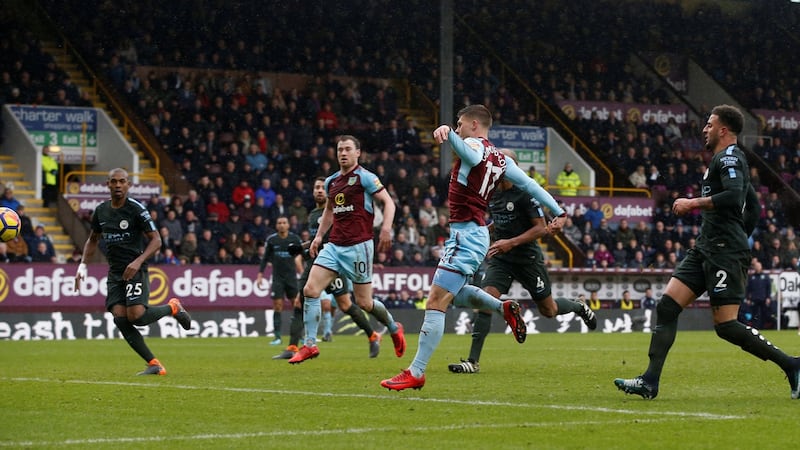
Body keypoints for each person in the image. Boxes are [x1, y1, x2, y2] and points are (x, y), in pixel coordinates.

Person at [614, 105, 800, 400]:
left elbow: (735, 196)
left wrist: (693, 204)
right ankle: (649, 381)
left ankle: (792, 365)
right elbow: (753, 205)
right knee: (667, 307)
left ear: (723, 130)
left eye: (709, 124)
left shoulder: (729, 157)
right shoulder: (726, 159)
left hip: (724, 251)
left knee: (726, 326)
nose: (704, 129)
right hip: (707, 248)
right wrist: (740, 233)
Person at [381, 104, 567, 391]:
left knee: (435, 301)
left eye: (459, 124)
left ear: (475, 125)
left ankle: (416, 372)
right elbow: (531, 185)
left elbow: (471, 153)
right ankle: (502, 307)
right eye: (454, 126)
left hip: (467, 235)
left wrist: (448, 135)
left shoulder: (473, 144)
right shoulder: (502, 160)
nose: (456, 128)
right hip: (474, 234)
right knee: (452, 294)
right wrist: (559, 211)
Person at [448, 149, 596, 375]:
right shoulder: (493, 193)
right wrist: (484, 232)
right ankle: (472, 361)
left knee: (549, 310)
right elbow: (499, 222)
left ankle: (578, 306)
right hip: (502, 259)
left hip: (527, 259)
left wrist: (511, 242)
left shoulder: (526, 194)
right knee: (485, 301)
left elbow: (540, 228)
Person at [290, 135, 406, 364]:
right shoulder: (331, 181)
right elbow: (330, 212)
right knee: (310, 290)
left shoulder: (365, 177)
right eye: (339, 150)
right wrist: (318, 237)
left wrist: (386, 229)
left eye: (347, 149)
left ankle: (393, 327)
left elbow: (389, 203)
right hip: (334, 246)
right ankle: (310, 345)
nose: (343, 153)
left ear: (357, 153)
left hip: (359, 247)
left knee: (365, 303)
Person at [73, 168, 192, 376]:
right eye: (114, 182)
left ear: (128, 185)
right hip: (115, 271)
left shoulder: (136, 209)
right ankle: (154, 363)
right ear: (108, 185)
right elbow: (93, 239)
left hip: (134, 268)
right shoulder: (101, 211)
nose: (118, 185)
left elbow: (156, 240)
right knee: (119, 316)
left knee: (136, 316)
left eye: (122, 181)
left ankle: (173, 307)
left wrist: (138, 261)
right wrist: (83, 265)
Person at [272, 177, 384, 360]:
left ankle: (373, 335)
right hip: (315, 264)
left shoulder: (336, 212)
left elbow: (331, 239)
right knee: (301, 301)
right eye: (315, 187)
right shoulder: (313, 214)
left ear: (329, 192)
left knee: (346, 304)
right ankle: (293, 347)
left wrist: (304, 249)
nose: (318, 191)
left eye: (321, 188)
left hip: (334, 263)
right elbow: (318, 238)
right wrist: (302, 247)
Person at [256, 215, 303, 346]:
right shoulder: (272, 240)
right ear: (276, 226)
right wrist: (260, 275)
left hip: (291, 278)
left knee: (297, 305)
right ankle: (277, 337)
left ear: (288, 225)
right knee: (277, 306)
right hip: (278, 278)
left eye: (284, 222)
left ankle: (299, 335)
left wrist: (303, 272)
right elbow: (265, 258)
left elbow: (301, 256)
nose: (282, 225)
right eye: (279, 223)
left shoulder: (295, 239)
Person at [746, 260, 774, 329]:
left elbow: (768, 288)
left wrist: (768, 297)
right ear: (754, 267)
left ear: (761, 267)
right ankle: (755, 327)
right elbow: (748, 289)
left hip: (763, 298)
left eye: (759, 266)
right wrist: (748, 298)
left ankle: (763, 327)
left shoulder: (765, 277)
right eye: (756, 266)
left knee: (764, 314)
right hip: (754, 298)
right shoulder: (751, 277)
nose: (757, 267)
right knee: (754, 314)